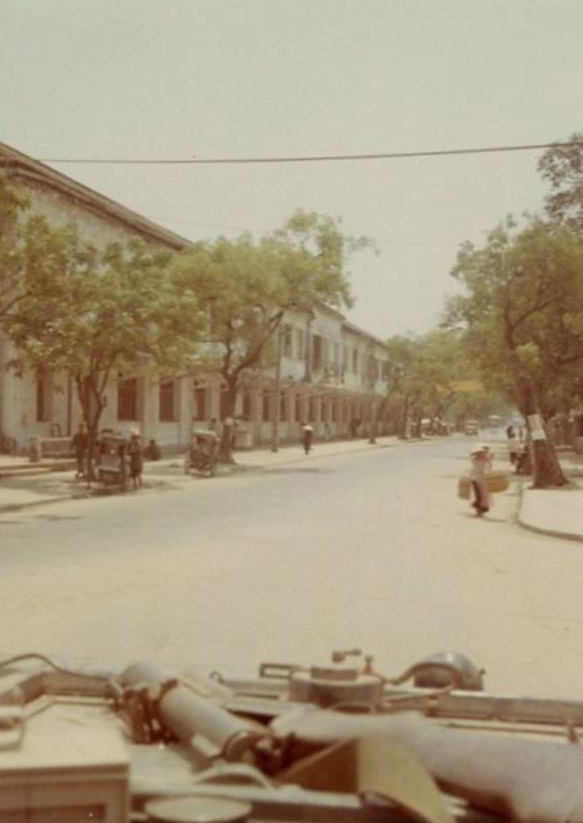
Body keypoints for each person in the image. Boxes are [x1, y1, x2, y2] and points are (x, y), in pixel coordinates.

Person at [469, 443, 492, 516]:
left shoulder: (477, 460)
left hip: (481, 480)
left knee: (482, 495)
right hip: (477, 479)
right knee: (479, 495)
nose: (482, 454)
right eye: (480, 453)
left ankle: (480, 509)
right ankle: (479, 509)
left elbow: (488, 468)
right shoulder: (482, 460)